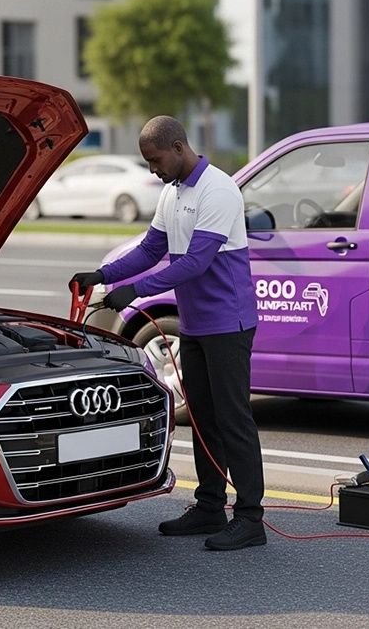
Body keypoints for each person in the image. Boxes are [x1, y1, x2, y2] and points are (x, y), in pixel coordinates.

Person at [70, 115, 265, 551]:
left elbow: (196, 263)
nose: (152, 170)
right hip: (195, 324)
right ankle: (210, 507)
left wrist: (135, 292)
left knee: (233, 420)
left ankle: (251, 518)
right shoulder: (172, 193)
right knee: (201, 418)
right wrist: (102, 275)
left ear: (178, 147)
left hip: (228, 324)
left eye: (155, 161)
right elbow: (149, 250)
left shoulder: (219, 189)